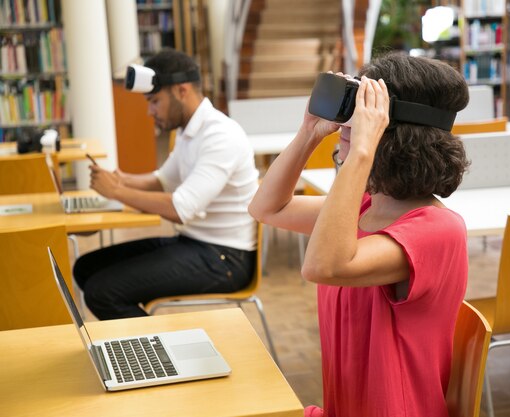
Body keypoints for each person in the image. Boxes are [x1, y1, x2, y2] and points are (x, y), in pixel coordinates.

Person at [248, 52, 470, 417]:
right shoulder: (366, 207)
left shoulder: (437, 230)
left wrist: (362, 149)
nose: (348, 127)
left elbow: (324, 266)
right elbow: (267, 209)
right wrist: (309, 132)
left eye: (364, 114)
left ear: (393, 134)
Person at [73, 49, 259, 320]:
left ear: (182, 91)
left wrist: (116, 191)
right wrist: (120, 179)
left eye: (154, 101)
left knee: (103, 292)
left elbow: (180, 208)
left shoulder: (221, 135)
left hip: (226, 258)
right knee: (86, 267)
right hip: (194, 243)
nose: (149, 111)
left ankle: (159, 355)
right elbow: (161, 181)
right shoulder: (189, 131)